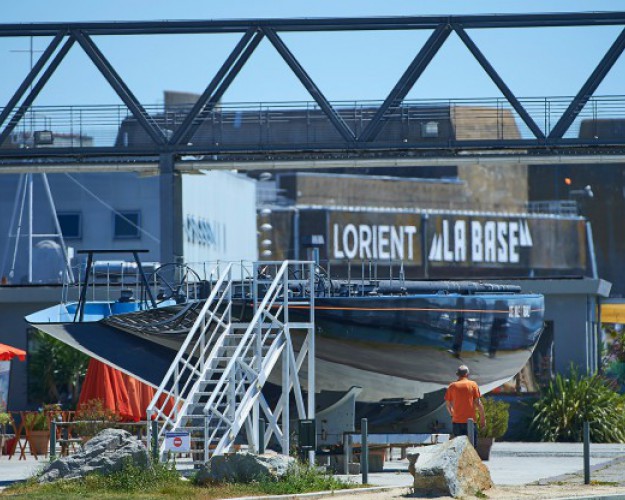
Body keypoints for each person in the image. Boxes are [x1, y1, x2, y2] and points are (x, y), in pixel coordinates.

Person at [445, 364, 485, 443]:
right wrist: (482, 419)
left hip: (457, 422)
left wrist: (452, 414)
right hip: (470, 422)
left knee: (458, 447)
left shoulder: (452, 386)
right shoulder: (473, 384)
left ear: (457, 374)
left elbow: (448, 405)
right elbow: (478, 403)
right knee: (472, 447)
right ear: (467, 374)